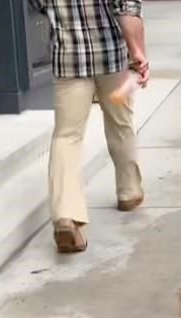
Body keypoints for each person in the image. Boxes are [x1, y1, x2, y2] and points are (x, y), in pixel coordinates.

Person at [29, 0, 149, 253]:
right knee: (120, 124)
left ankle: (66, 216)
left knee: (66, 136)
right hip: (112, 59)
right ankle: (128, 192)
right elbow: (127, 11)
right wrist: (137, 51)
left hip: (68, 60)